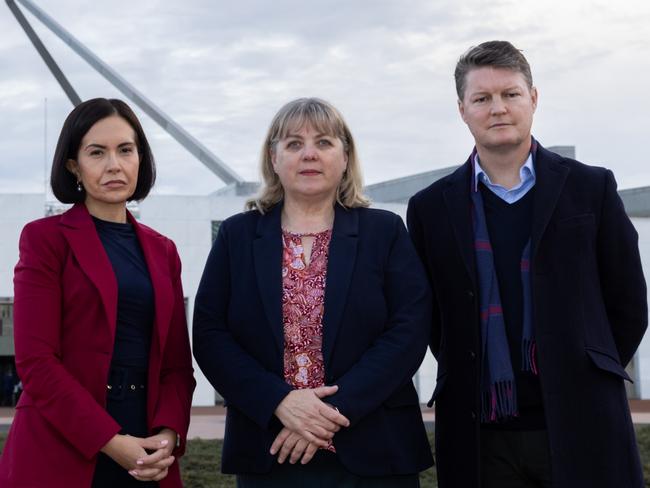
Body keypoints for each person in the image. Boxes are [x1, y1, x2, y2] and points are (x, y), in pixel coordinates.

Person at [408, 40, 648, 488]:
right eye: (482, 98)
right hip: (480, 430)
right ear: (462, 109)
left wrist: (587, 362)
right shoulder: (429, 208)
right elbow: (433, 318)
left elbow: (628, 301)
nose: (497, 108)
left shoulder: (590, 188)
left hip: (582, 417)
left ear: (533, 98)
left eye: (510, 94)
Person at [193, 97, 433, 486]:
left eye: (323, 142)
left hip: (375, 449)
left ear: (345, 156)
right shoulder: (237, 236)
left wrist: (329, 411)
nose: (309, 154)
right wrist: (280, 403)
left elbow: (408, 330)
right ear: (273, 158)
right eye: (293, 144)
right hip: (270, 448)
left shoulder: (384, 231)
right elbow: (210, 334)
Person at [0, 98, 195, 488]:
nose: (114, 165)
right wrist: (110, 440)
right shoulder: (44, 240)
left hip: (149, 445)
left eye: (125, 150)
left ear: (140, 158)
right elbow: (36, 362)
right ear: (74, 165)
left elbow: (176, 364)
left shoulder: (164, 251)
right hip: (64, 441)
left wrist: (169, 434)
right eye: (96, 152)